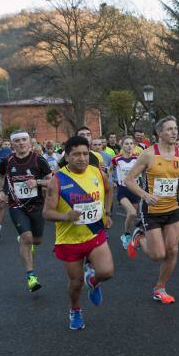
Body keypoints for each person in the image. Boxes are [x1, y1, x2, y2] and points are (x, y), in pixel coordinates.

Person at [43, 136, 114, 330]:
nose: (82, 158)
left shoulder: (97, 173)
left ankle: (94, 280)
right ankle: (75, 310)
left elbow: (109, 190)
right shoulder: (57, 180)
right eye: (76, 154)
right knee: (75, 283)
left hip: (94, 234)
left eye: (85, 153)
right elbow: (46, 213)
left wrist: (106, 212)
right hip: (69, 241)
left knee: (106, 272)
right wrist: (66, 216)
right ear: (67, 156)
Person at [125, 116, 179, 304]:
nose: (174, 132)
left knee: (172, 250)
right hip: (152, 210)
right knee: (158, 255)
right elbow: (129, 180)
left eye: (175, 128)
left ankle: (160, 288)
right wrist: (144, 195)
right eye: (169, 129)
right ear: (159, 133)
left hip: (174, 209)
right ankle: (139, 237)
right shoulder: (148, 154)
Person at [0, 131, 53, 293]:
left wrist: (37, 181)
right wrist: (1, 191)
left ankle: (28, 242)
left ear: (29, 142)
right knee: (26, 238)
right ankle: (31, 276)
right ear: (12, 144)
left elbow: (52, 182)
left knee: (37, 240)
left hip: (36, 205)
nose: (21, 143)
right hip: (16, 205)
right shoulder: (7, 161)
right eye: (17, 141)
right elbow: (0, 176)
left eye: (24, 140)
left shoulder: (39, 160)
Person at [111, 136, 141, 249]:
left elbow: (143, 171)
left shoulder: (138, 159)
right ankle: (129, 236)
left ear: (134, 145)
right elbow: (110, 169)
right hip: (123, 190)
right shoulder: (116, 159)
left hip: (135, 190)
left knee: (131, 216)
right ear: (122, 146)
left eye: (131, 143)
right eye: (126, 144)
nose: (129, 146)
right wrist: (112, 180)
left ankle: (126, 235)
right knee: (132, 213)